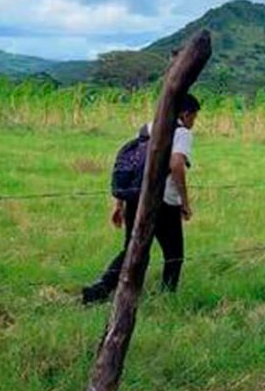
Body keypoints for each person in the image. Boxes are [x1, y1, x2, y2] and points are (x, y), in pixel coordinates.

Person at [82, 94, 200, 302]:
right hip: (164, 200)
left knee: (132, 248)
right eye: (194, 117)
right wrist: (184, 202)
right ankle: (167, 296)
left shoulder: (148, 128)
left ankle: (101, 288)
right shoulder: (181, 133)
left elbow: (133, 166)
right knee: (174, 254)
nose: (194, 122)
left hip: (135, 197)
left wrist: (119, 203)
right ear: (185, 114)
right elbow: (176, 164)